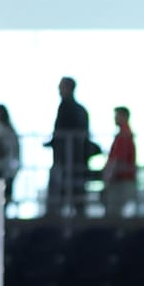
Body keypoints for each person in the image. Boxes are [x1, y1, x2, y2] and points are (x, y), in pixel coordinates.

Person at [48, 77, 93, 215]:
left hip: (66, 159)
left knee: (64, 189)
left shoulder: (68, 107)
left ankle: (56, 216)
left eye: (61, 87)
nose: (59, 90)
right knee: (76, 191)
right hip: (74, 159)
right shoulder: (79, 109)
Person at [104, 104, 137, 219]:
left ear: (124, 116)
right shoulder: (125, 134)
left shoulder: (124, 135)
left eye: (117, 116)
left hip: (121, 179)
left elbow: (118, 158)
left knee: (114, 212)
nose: (115, 118)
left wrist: (110, 175)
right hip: (122, 177)